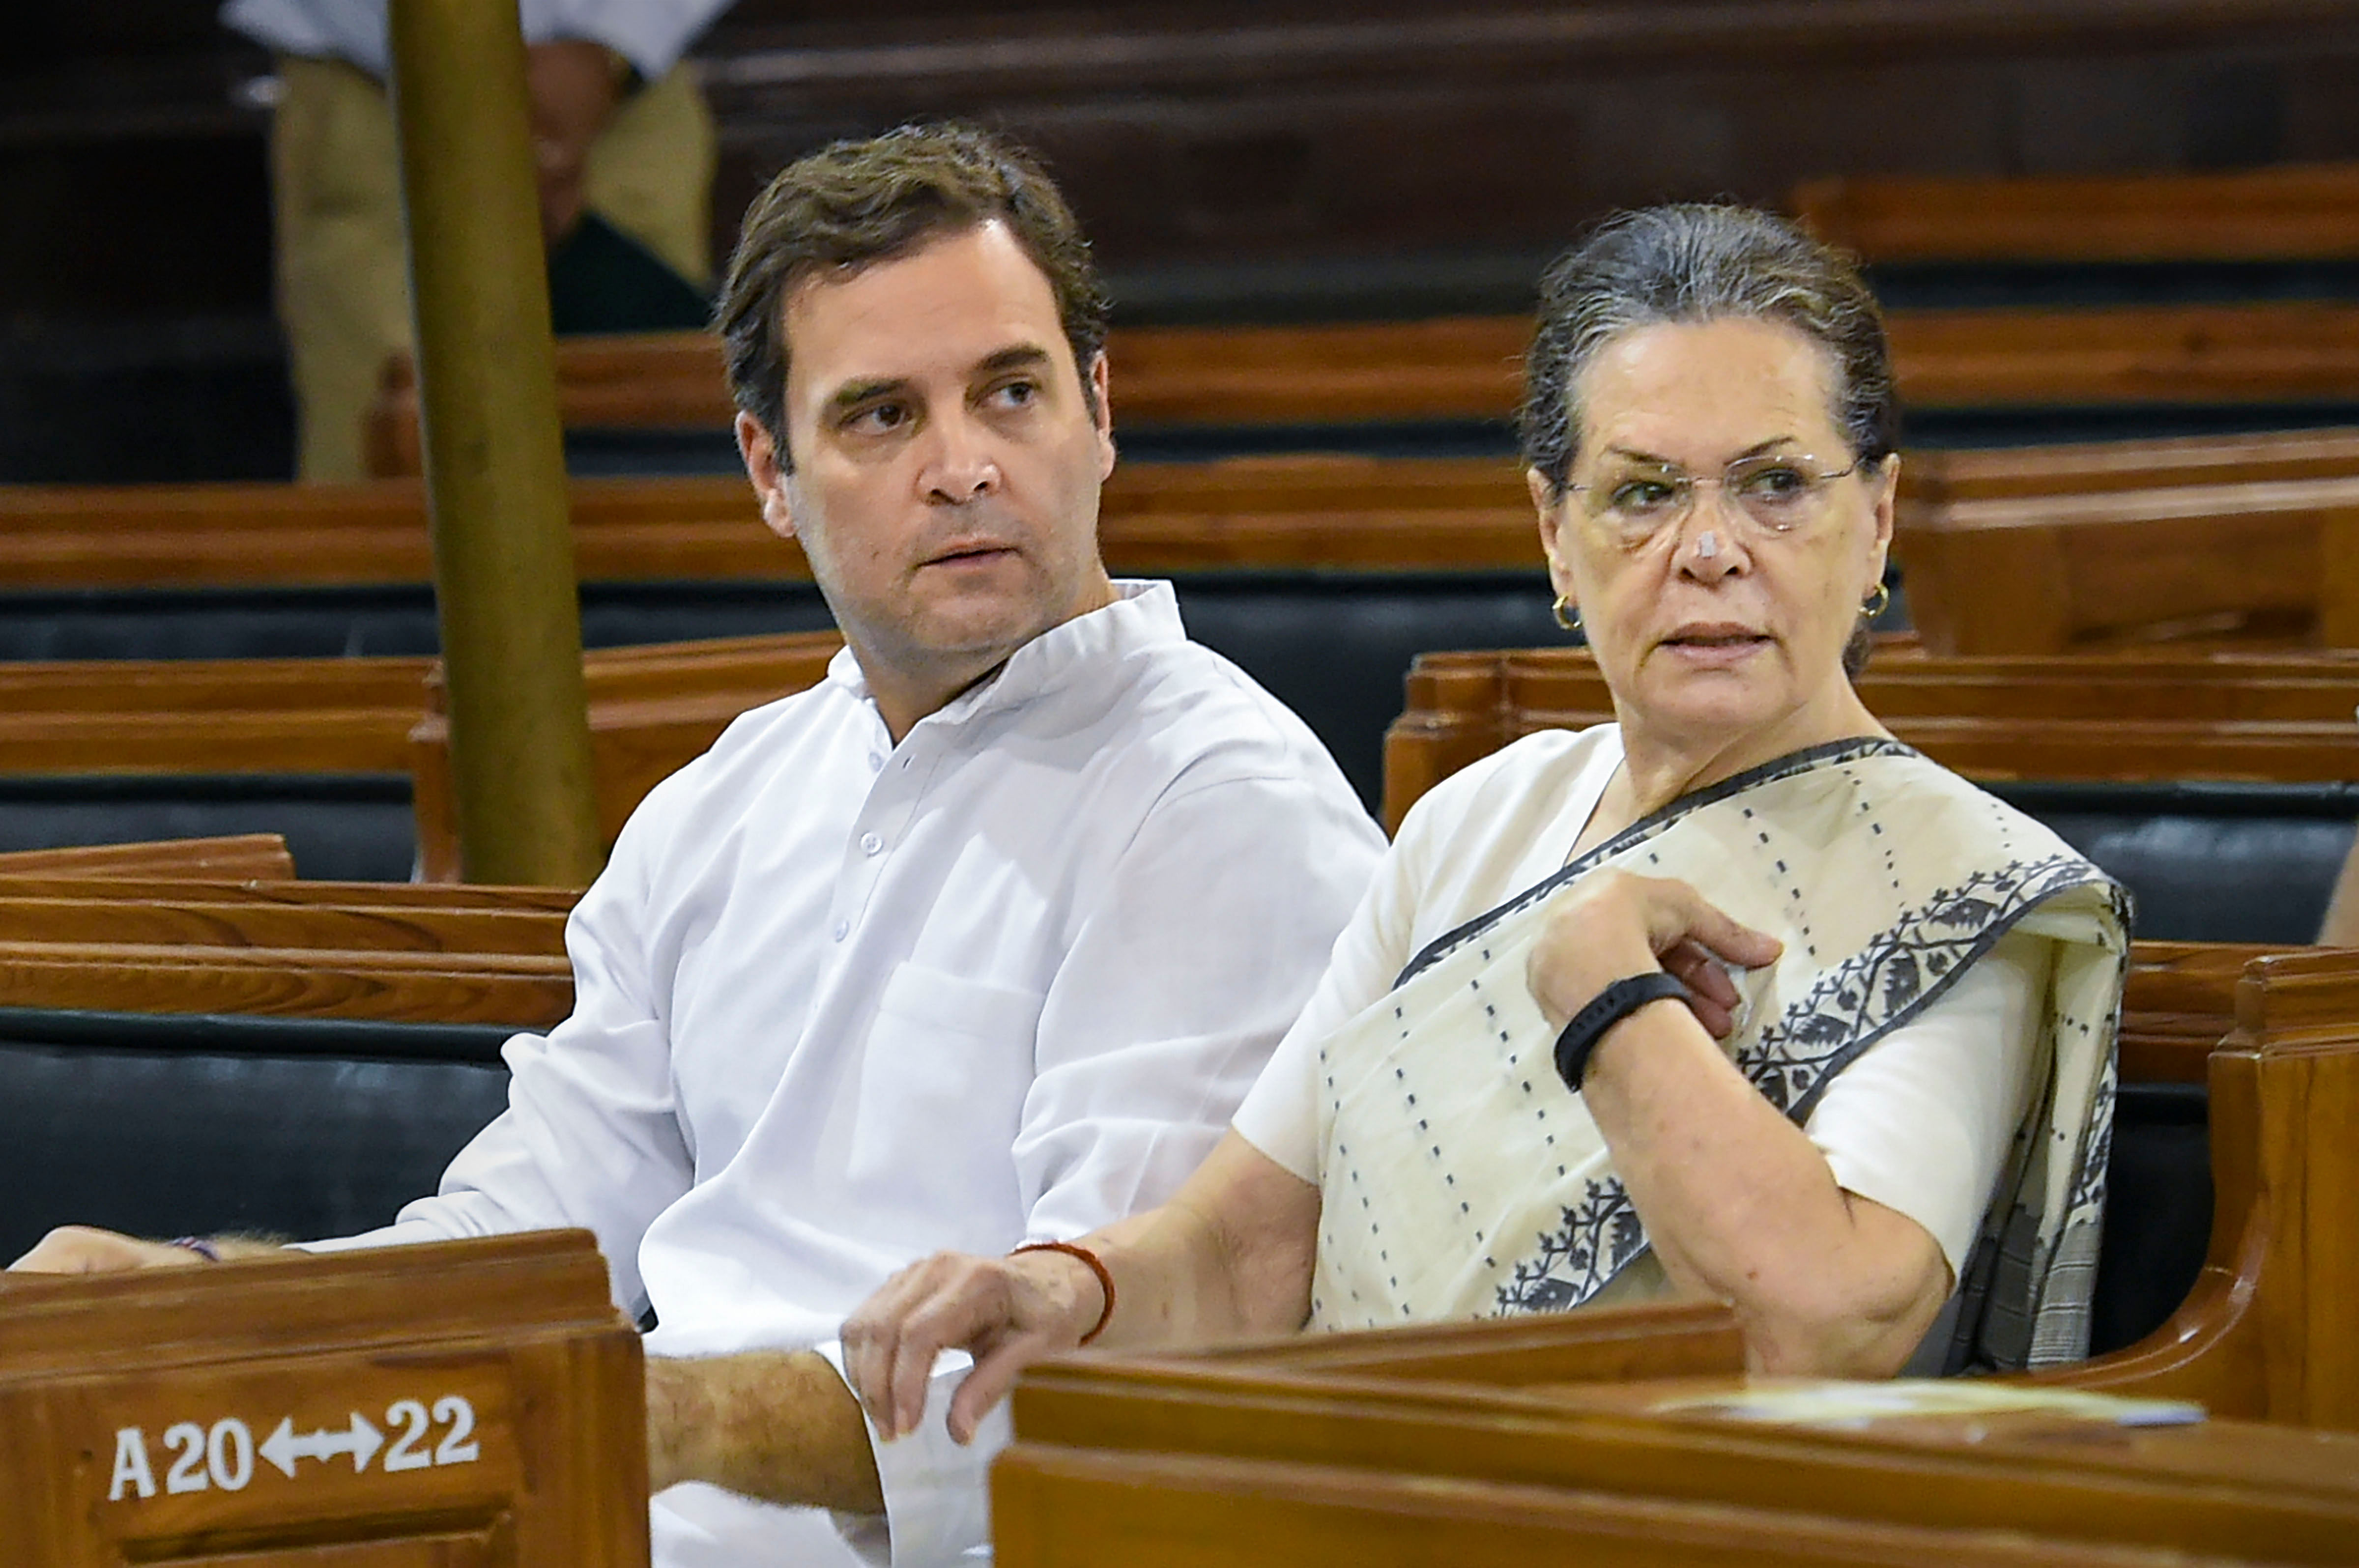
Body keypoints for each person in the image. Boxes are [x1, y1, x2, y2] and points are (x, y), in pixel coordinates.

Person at [11, 125, 1386, 1566]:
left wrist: (631, 1410)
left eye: (1010, 391)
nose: (963, 465)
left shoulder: (1220, 804)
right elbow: (537, 1233)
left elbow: (1098, 1393)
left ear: (1099, 409)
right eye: (879, 416)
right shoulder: (725, 799)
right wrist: (199, 1298)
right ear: (769, 469)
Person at [841, 205, 2133, 1463]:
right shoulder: (1477, 817)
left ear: (1880, 524)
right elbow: (1247, 1251)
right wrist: (1060, 1290)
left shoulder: (1962, 885)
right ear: (1554, 539)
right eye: (1642, 493)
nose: (1709, 551)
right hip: (1375, 1490)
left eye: (1777, 484)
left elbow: (1822, 1325)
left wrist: (1610, 993)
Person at [221, 0, 734, 479]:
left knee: (654, 469)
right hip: (372, 86)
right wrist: (459, 68)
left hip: (625, 96)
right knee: (392, 483)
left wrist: (614, 40)